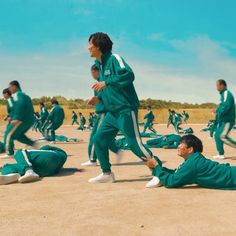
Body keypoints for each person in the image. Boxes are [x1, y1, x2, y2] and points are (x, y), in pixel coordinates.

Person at [87, 32, 157, 184]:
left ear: (98, 46)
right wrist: (98, 98)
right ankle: (107, 173)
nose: (88, 47)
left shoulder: (114, 59)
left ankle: (159, 173)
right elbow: (110, 90)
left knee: (134, 144)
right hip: (112, 113)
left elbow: (129, 75)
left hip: (125, 109)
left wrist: (106, 82)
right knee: (99, 139)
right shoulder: (100, 65)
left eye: (90, 44)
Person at [146, 134, 236, 190]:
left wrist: (157, 167)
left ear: (190, 150)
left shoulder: (193, 163)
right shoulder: (194, 160)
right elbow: (177, 172)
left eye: (181, 145)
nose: (178, 147)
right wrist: (158, 168)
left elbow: (171, 182)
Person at [82, 64, 122, 166]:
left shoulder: (102, 82)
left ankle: (93, 160)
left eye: (92, 73)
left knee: (95, 136)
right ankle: (117, 150)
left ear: (95, 71)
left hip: (104, 112)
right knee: (104, 137)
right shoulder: (103, 82)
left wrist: (97, 101)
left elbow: (106, 98)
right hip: (104, 112)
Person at [0, 145, 67, 185]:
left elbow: (45, 147)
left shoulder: (54, 151)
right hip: (48, 170)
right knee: (8, 164)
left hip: (49, 162)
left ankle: (28, 171)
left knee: (21, 153)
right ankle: (11, 175)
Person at [2, 81, 36, 158]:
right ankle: (33, 144)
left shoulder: (16, 96)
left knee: (8, 135)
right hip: (29, 119)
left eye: (10, 87)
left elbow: (19, 105)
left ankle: (9, 153)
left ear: (14, 86)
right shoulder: (25, 95)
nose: (9, 89)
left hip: (20, 119)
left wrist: (16, 117)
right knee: (18, 135)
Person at [213, 79, 236, 159]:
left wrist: (218, 111)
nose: (217, 88)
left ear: (222, 85)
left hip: (228, 120)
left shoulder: (226, 94)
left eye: (217, 86)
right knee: (216, 135)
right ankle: (221, 154)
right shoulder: (222, 95)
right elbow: (221, 106)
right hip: (223, 121)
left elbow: (226, 107)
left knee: (222, 136)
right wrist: (217, 110)